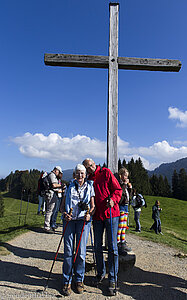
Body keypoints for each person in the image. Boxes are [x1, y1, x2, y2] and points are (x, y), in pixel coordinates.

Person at [82, 158, 122, 296]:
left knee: (112, 246)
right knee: (97, 246)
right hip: (97, 216)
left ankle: (113, 278)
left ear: (95, 164)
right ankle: (100, 273)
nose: (90, 169)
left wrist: (113, 199)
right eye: (87, 168)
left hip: (111, 213)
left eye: (91, 165)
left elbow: (118, 189)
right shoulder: (88, 179)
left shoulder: (106, 172)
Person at [61, 164, 95, 296]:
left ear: (85, 175)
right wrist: (64, 214)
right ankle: (66, 281)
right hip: (69, 222)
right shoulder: (68, 187)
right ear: (74, 174)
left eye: (82, 173)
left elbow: (93, 206)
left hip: (82, 222)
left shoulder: (90, 187)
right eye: (78, 173)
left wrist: (89, 214)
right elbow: (62, 206)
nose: (80, 175)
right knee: (68, 252)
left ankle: (79, 280)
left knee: (81, 252)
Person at [116, 168, 132, 254]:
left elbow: (129, 196)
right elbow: (120, 195)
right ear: (120, 175)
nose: (126, 177)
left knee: (124, 226)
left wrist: (130, 189)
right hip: (121, 206)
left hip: (126, 206)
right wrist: (125, 185)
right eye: (125, 175)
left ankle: (123, 242)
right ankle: (118, 243)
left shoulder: (125, 186)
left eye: (127, 176)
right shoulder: (120, 184)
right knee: (120, 225)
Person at [44, 166, 63, 233]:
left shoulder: (51, 175)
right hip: (50, 194)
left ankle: (48, 225)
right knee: (50, 211)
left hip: (50, 193)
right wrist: (62, 185)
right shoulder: (52, 175)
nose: (59, 174)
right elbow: (54, 185)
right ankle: (47, 227)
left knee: (50, 210)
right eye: (59, 172)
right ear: (56, 170)